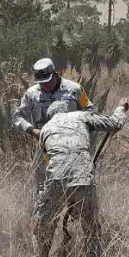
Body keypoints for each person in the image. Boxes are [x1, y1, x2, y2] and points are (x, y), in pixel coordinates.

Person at [34, 97, 129, 257]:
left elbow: (48, 162)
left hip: (56, 181)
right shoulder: (80, 116)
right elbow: (115, 124)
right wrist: (120, 108)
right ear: (66, 111)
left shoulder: (45, 130)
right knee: (91, 226)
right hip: (83, 179)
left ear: (50, 116)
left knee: (45, 224)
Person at [13, 58, 95, 214]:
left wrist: (80, 130)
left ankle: (75, 217)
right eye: (42, 82)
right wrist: (32, 130)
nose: (45, 85)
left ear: (56, 74)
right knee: (44, 188)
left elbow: (90, 111)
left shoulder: (74, 89)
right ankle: (44, 223)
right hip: (44, 150)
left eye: (48, 81)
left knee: (77, 184)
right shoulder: (31, 94)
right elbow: (18, 117)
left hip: (72, 149)